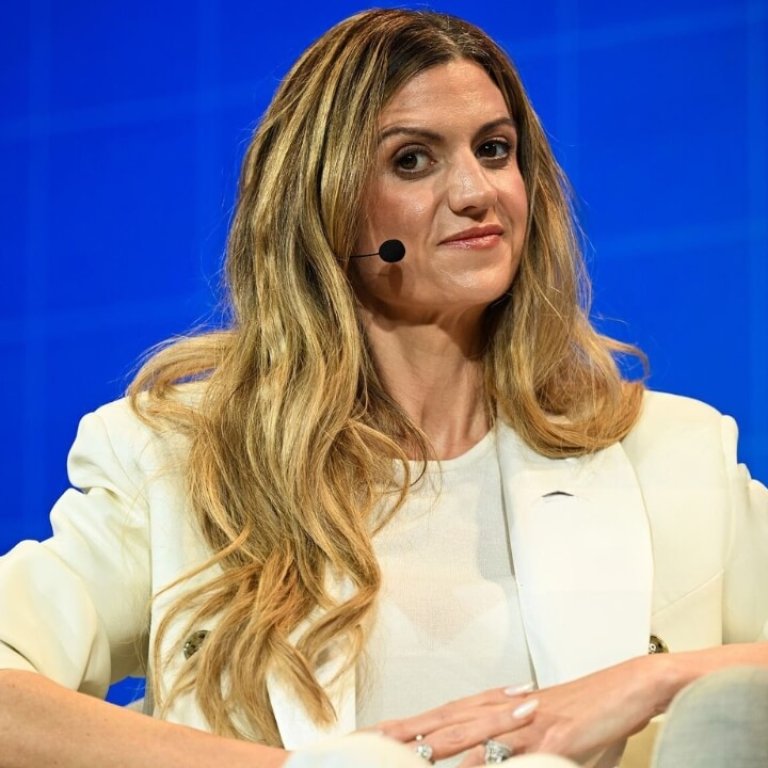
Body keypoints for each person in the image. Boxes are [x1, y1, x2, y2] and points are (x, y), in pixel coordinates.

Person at [0, 8, 766, 768]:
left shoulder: (672, 456)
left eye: (495, 151)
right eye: (412, 160)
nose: (476, 191)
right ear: (325, 206)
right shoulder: (177, 460)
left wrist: (658, 679)